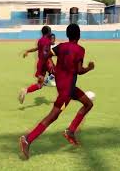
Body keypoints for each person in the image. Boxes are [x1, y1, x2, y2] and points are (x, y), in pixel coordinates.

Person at [19, 24, 95, 159]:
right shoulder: (80, 50)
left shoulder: (61, 46)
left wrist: (44, 70)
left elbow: (47, 54)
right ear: (79, 35)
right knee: (52, 117)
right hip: (67, 90)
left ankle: (70, 131)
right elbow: (79, 70)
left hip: (64, 86)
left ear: (67, 35)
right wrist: (89, 68)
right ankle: (27, 139)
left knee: (88, 104)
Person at [19, 26, 54, 104]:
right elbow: (46, 52)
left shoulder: (40, 40)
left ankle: (25, 91)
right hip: (45, 63)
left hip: (40, 63)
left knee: (40, 85)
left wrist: (28, 51)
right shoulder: (47, 41)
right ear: (48, 32)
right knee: (56, 74)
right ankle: (65, 94)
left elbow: (37, 49)